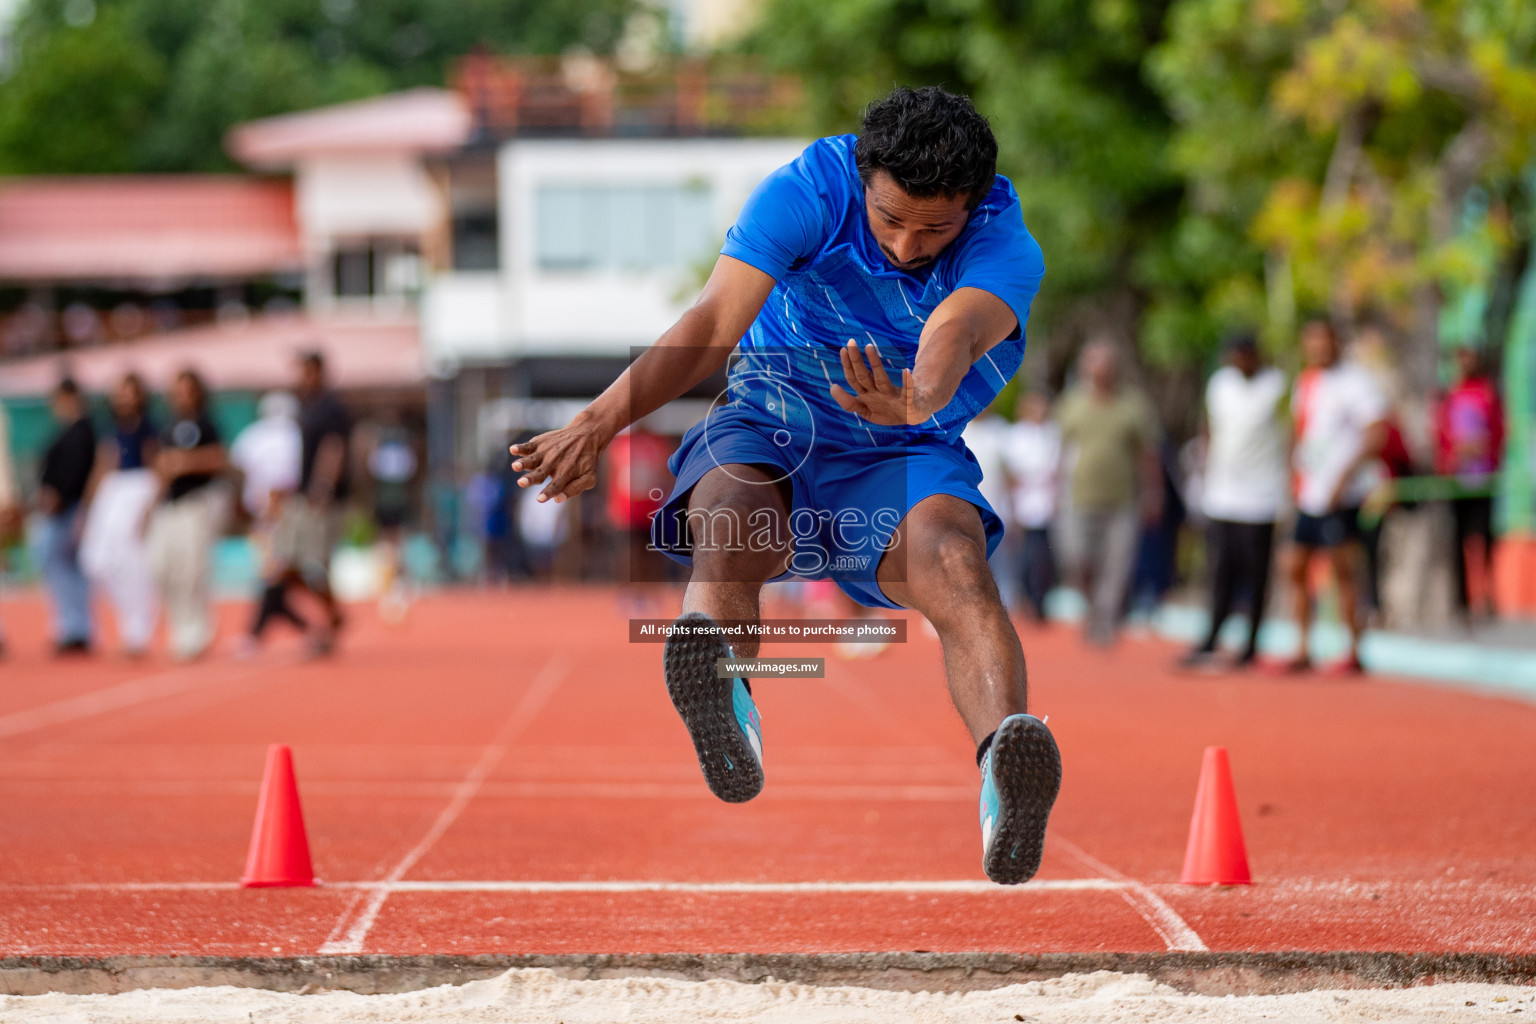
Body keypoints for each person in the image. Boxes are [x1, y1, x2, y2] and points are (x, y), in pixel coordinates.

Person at [510, 86, 1059, 885]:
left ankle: (1003, 774)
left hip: (899, 449)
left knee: (957, 564)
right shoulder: (808, 191)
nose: (909, 246)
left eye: (934, 229)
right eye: (892, 218)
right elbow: (709, 326)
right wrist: (598, 421)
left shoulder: (1005, 243)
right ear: (864, 178)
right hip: (773, 422)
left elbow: (957, 331)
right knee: (731, 518)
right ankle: (727, 702)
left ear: (970, 209)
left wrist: (916, 397)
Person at [1281, 320, 1387, 674]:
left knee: (1343, 571)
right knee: (1295, 566)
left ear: (1336, 341)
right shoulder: (1306, 382)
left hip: (1340, 496)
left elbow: (1376, 433)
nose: (1318, 347)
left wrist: (1345, 475)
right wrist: (1291, 475)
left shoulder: (1355, 382)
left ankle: (1354, 649)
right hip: (1309, 495)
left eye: (1323, 340)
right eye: (1311, 341)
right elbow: (1299, 431)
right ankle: (1302, 646)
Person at [1180, 333, 1288, 671]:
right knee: (1220, 570)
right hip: (1222, 492)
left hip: (1261, 495)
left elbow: (1291, 431)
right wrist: (1203, 469)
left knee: (1256, 573)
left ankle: (1251, 643)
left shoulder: (1277, 385)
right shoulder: (1220, 384)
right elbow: (1209, 427)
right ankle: (1212, 635)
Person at [1055, 341, 1162, 647]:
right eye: (1093, 366)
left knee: (1117, 566)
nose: (1099, 373)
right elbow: (1059, 450)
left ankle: (1103, 623)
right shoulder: (1072, 403)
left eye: (1105, 367)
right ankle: (1093, 609)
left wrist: (1153, 493)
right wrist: (1053, 490)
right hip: (1079, 498)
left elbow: (1148, 454)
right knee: (1077, 560)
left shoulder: (1133, 405)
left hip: (1123, 500)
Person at [269, 351, 350, 654]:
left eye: (303, 371)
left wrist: (323, 486)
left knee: (314, 563)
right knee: (287, 565)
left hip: (320, 498)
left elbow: (334, 448)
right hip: (301, 496)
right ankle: (333, 615)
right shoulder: (306, 408)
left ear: (317, 371)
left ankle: (330, 623)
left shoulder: (331, 408)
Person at [146, 369, 228, 661]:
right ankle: (180, 629)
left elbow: (220, 458)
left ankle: (196, 633)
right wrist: (149, 507)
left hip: (197, 502)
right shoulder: (167, 427)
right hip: (171, 505)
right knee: (163, 568)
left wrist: (185, 462)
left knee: (192, 569)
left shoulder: (206, 424)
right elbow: (160, 468)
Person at [80, 373, 161, 657]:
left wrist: (151, 505)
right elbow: (103, 465)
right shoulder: (111, 427)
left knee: (132, 563)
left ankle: (136, 632)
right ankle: (129, 622)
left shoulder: (150, 427)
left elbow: (156, 466)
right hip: (112, 491)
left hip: (138, 487)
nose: (124, 398)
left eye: (129, 392)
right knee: (96, 561)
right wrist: (87, 507)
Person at [229, 390, 307, 651]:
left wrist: (243, 506)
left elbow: (240, 469)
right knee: (274, 574)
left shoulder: (255, 435)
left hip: (269, 515)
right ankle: (308, 627)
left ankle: (256, 633)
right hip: (282, 514)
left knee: (275, 574)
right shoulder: (294, 436)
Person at [1436, 345, 1504, 623]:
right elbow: (1442, 434)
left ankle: (1488, 596)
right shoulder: (1450, 395)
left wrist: (1486, 452)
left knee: (1485, 539)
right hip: (1456, 479)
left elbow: (1498, 431)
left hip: (1483, 478)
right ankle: (1461, 601)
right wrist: (1452, 455)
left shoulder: (1488, 393)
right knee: (1457, 541)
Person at [35, 378, 97, 655]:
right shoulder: (69, 430)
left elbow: (78, 471)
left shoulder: (82, 431)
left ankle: (75, 627)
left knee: (59, 562)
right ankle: (75, 627)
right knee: (67, 566)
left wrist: (59, 495)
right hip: (64, 507)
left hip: (68, 508)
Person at [1003, 390, 1060, 623]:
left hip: (1045, 505)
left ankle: (1039, 601)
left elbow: (1057, 469)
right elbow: (1010, 473)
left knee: (1042, 556)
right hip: (1022, 504)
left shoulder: (1051, 434)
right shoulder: (1014, 435)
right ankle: (1024, 597)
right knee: (1023, 557)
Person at [962, 405, 1019, 611]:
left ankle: (1007, 612)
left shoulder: (1000, 431)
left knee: (1000, 567)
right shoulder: (959, 431)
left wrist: (1014, 511)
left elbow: (1011, 475)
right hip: (965, 513)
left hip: (997, 512)